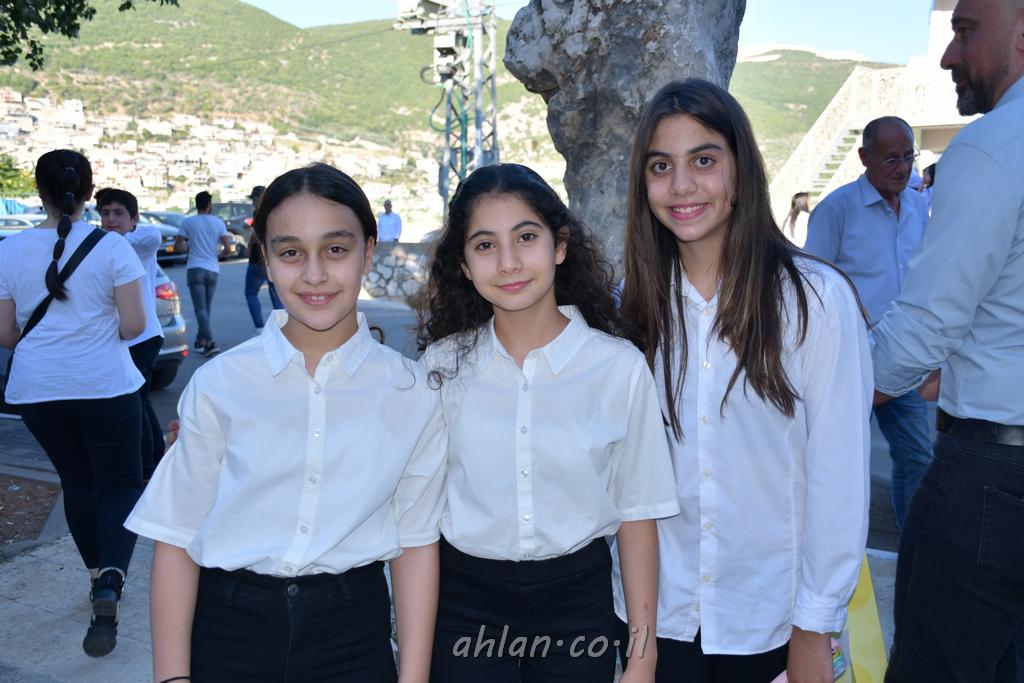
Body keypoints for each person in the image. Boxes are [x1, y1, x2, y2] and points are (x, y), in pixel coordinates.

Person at [125, 163, 445, 683]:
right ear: (267, 261)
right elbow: (177, 535)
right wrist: (172, 678)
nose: (314, 274)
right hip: (229, 631)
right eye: (291, 252)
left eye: (335, 249)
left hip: (353, 637)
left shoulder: (412, 392)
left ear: (368, 253)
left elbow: (415, 542)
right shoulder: (220, 382)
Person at [618, 79, 872, 682]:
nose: (682, 185)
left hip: (772, 623)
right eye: (661, 166)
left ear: (741, 172)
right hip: (657, 622)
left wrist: (815, 626)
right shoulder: (631, 305)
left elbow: (838, 475)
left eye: (704, 160)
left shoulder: (814, 301)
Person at [416, 163, 678, 683]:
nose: (509, 262)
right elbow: (419, 517)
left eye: (526, 237)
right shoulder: (441, 369)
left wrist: (642, 658)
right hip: (465, 604)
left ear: (559, 246)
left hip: (577, 606)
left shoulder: (618, 368)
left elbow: (638, 515)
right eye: (485, 245)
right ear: (464, 265)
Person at [871, 0, 1024, 680]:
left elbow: (925, 326)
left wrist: (823, 394)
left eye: (965, 30)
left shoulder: (992, 147)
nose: (947, 54)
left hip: (993, 475)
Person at [0, 150, 147, 657]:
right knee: (121, 483)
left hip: (37, 391)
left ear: (38, 191)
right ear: (88, 193)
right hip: (105, 386)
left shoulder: (10, 249)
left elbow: (6, 334)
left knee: (78, 482)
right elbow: (133, 326)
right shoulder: (113, 248)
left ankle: (94, 573)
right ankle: (110, 583)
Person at [803, 116, 931, 531]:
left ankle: (912, 548)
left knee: (918, 456)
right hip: (848, 361)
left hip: (901, 358)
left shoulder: (919, 207)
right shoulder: (836, 210)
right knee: (838, 460)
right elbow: (811, 283)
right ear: (864, 157)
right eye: (891, 158)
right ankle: (829, 544)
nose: (902, 167)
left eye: (908, 156)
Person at [97, 188, 166, 479]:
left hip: (144, 336)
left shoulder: (142, 242)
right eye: (105, 213)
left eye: (118, 213)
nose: (111, 219)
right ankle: (153, 465)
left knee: (138, 402)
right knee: (137, 402)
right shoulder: (104, 246)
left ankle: (151, 467)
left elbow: (153, 234)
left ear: (134, 218)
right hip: (123, 337)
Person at [175, 190, 233, 355]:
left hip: (195, 268)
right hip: (212, 269)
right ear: (209, 204)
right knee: (206, 308)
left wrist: (190, 246)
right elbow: (228, 248)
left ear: (196, 204)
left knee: (200, 309)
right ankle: (201, 340)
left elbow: (178, 247)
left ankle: (209, 342)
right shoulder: (218, 222)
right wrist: (218, 256)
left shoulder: (188, 222)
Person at [243, 184, 284, 330]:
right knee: (276, 295)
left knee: (250, 293)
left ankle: (259, 328)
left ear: (260, 198)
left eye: (254, 198)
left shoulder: (259, 212)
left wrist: (249, 246)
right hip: (273, 259)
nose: (253, 202)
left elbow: (256, 236)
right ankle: (282, 328)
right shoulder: (275, 212)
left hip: (258, 259)